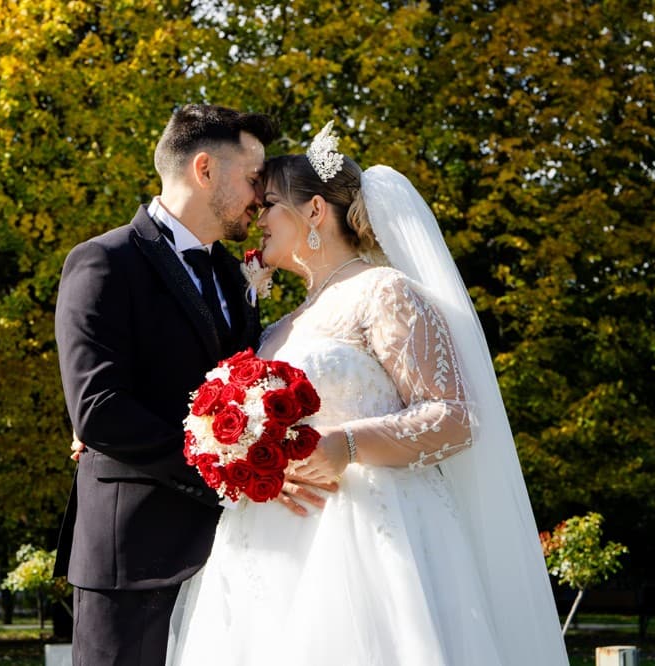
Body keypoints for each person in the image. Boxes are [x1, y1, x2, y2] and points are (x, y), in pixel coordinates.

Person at [166, 124, 569, 665]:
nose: (257, 219)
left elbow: (455, 415)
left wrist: (347, 445)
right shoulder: (276, 327)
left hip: (373, 534)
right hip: (271, 546)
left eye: (270, 205)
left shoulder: (385, 292)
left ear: (313, 211)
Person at [55, 104, 305, 666]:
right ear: (204, 170)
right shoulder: (103, 262)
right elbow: (98, 409)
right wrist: (229, 470)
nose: (261, 196)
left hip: (233, 554)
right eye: (252, 177)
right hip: (133, 557)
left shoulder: (228, 272)